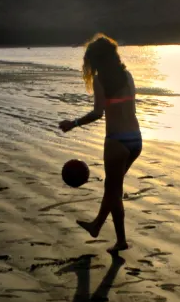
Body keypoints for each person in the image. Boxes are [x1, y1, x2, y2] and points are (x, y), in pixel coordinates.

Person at [59, 34, 142, 254]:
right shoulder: (127, 75)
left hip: (116, 141)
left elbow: (98, 113)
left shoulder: (100, 79)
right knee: (113, 189)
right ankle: (110, 234)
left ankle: (102, 228)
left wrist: (74, 123)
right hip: (136, 139)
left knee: (113, 190)